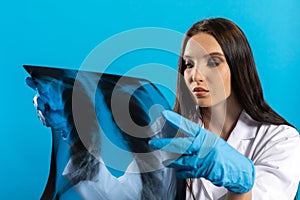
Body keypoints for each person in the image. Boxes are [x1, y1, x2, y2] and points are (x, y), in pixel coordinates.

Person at [149, 18, 300, 200]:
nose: (195, 76)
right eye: (189, 64)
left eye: (213, 62)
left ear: (238, 66)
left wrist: (241, 187)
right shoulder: (168, 132)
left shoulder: (281, 140)